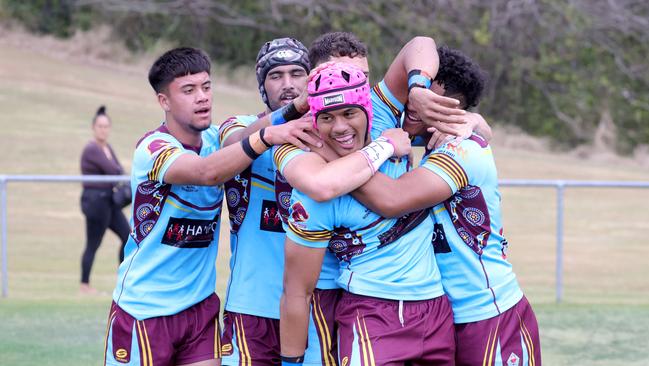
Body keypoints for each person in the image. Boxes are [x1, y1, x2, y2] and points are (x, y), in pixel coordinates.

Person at [103, 47, 307, 366]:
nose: (202, 97)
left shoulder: (216, 138)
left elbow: (242, 136)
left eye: (206, 87)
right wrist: (267, 136)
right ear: (164, 101)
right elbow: (206, 172)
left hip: (200, 310)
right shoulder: (154, 148)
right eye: (189, 90)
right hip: (144, 309)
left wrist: (296, 107)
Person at [350, 46, 542, 365]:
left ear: (453, 110)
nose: (414, 106)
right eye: (417, 97)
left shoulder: (461, 150)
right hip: (444, 317)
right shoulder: (422, 139)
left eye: (429, 102)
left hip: (490, 313)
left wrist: (332, 163)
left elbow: (392, 200)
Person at [279, 52, 457, 366]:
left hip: (435, 309)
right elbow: (296, 291)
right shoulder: (313, 195)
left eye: (349, 113)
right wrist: (290, 362)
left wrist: (418, 88)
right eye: (327, 117)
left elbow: (419, 45)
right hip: (371, 314)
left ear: (367, 111)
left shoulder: (388, 124)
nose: (340, 127)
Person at [217, 38, 330, 366]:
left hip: (313, 307)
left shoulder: (329, 134)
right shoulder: (241, 127)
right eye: (276, 76)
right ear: (262, 86)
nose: (288, 84)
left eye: (297, 74)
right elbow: (232, 144)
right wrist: (289, 117)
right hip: (251, 308)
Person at [79, 105, 130, 295]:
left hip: (110, 202)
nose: (103, 129)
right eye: (100, 126)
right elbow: (113, 171)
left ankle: (124, 281)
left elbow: (118, 171)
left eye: (106, 126)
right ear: (93, 127)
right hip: (96, 203)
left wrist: (119, 174)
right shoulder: (91, 149)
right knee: (93, 243)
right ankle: (84, 285)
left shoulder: (107, 147)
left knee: (128, 237)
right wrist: (118, 173)